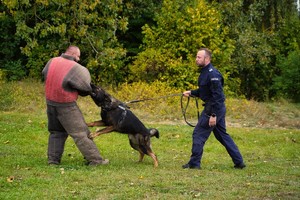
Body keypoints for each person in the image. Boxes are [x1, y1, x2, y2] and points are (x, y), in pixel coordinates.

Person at [42, 45, 109, 166]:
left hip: (50, 103)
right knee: (81, 133)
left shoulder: (52, 61)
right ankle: (96, 160)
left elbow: (45, 74)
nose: (78, 59)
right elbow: (85, 87)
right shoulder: (76, 68)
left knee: (56, 132)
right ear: (73, 54)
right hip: (66, 105)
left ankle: (53, 160)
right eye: (78, 56)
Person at [182, 48, 245, 169]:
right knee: (222, 135)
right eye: (196, 56)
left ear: (207, 58)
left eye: (199, 57)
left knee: (198, 134)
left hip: (214, 108)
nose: (196, 59)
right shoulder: (204, 72)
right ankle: (239, 162)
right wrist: (191, 92)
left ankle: (194, 164)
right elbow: (205, 91)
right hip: (216, 107)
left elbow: (218, 96)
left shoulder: (213, 74)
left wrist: (213, 115)